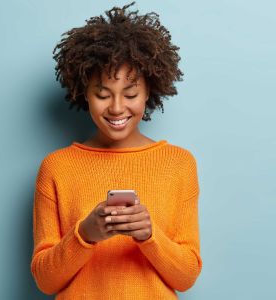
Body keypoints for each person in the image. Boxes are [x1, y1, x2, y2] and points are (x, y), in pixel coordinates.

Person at [31, 2, 202, 299]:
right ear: (84, 92)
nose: (117, 107)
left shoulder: (179, 164)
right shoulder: (57, 167)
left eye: (131, 93)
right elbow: (46, 282)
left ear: (150, 91)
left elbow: (186, 277)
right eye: (102, 94)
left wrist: (149, 236)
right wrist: (85, 235)